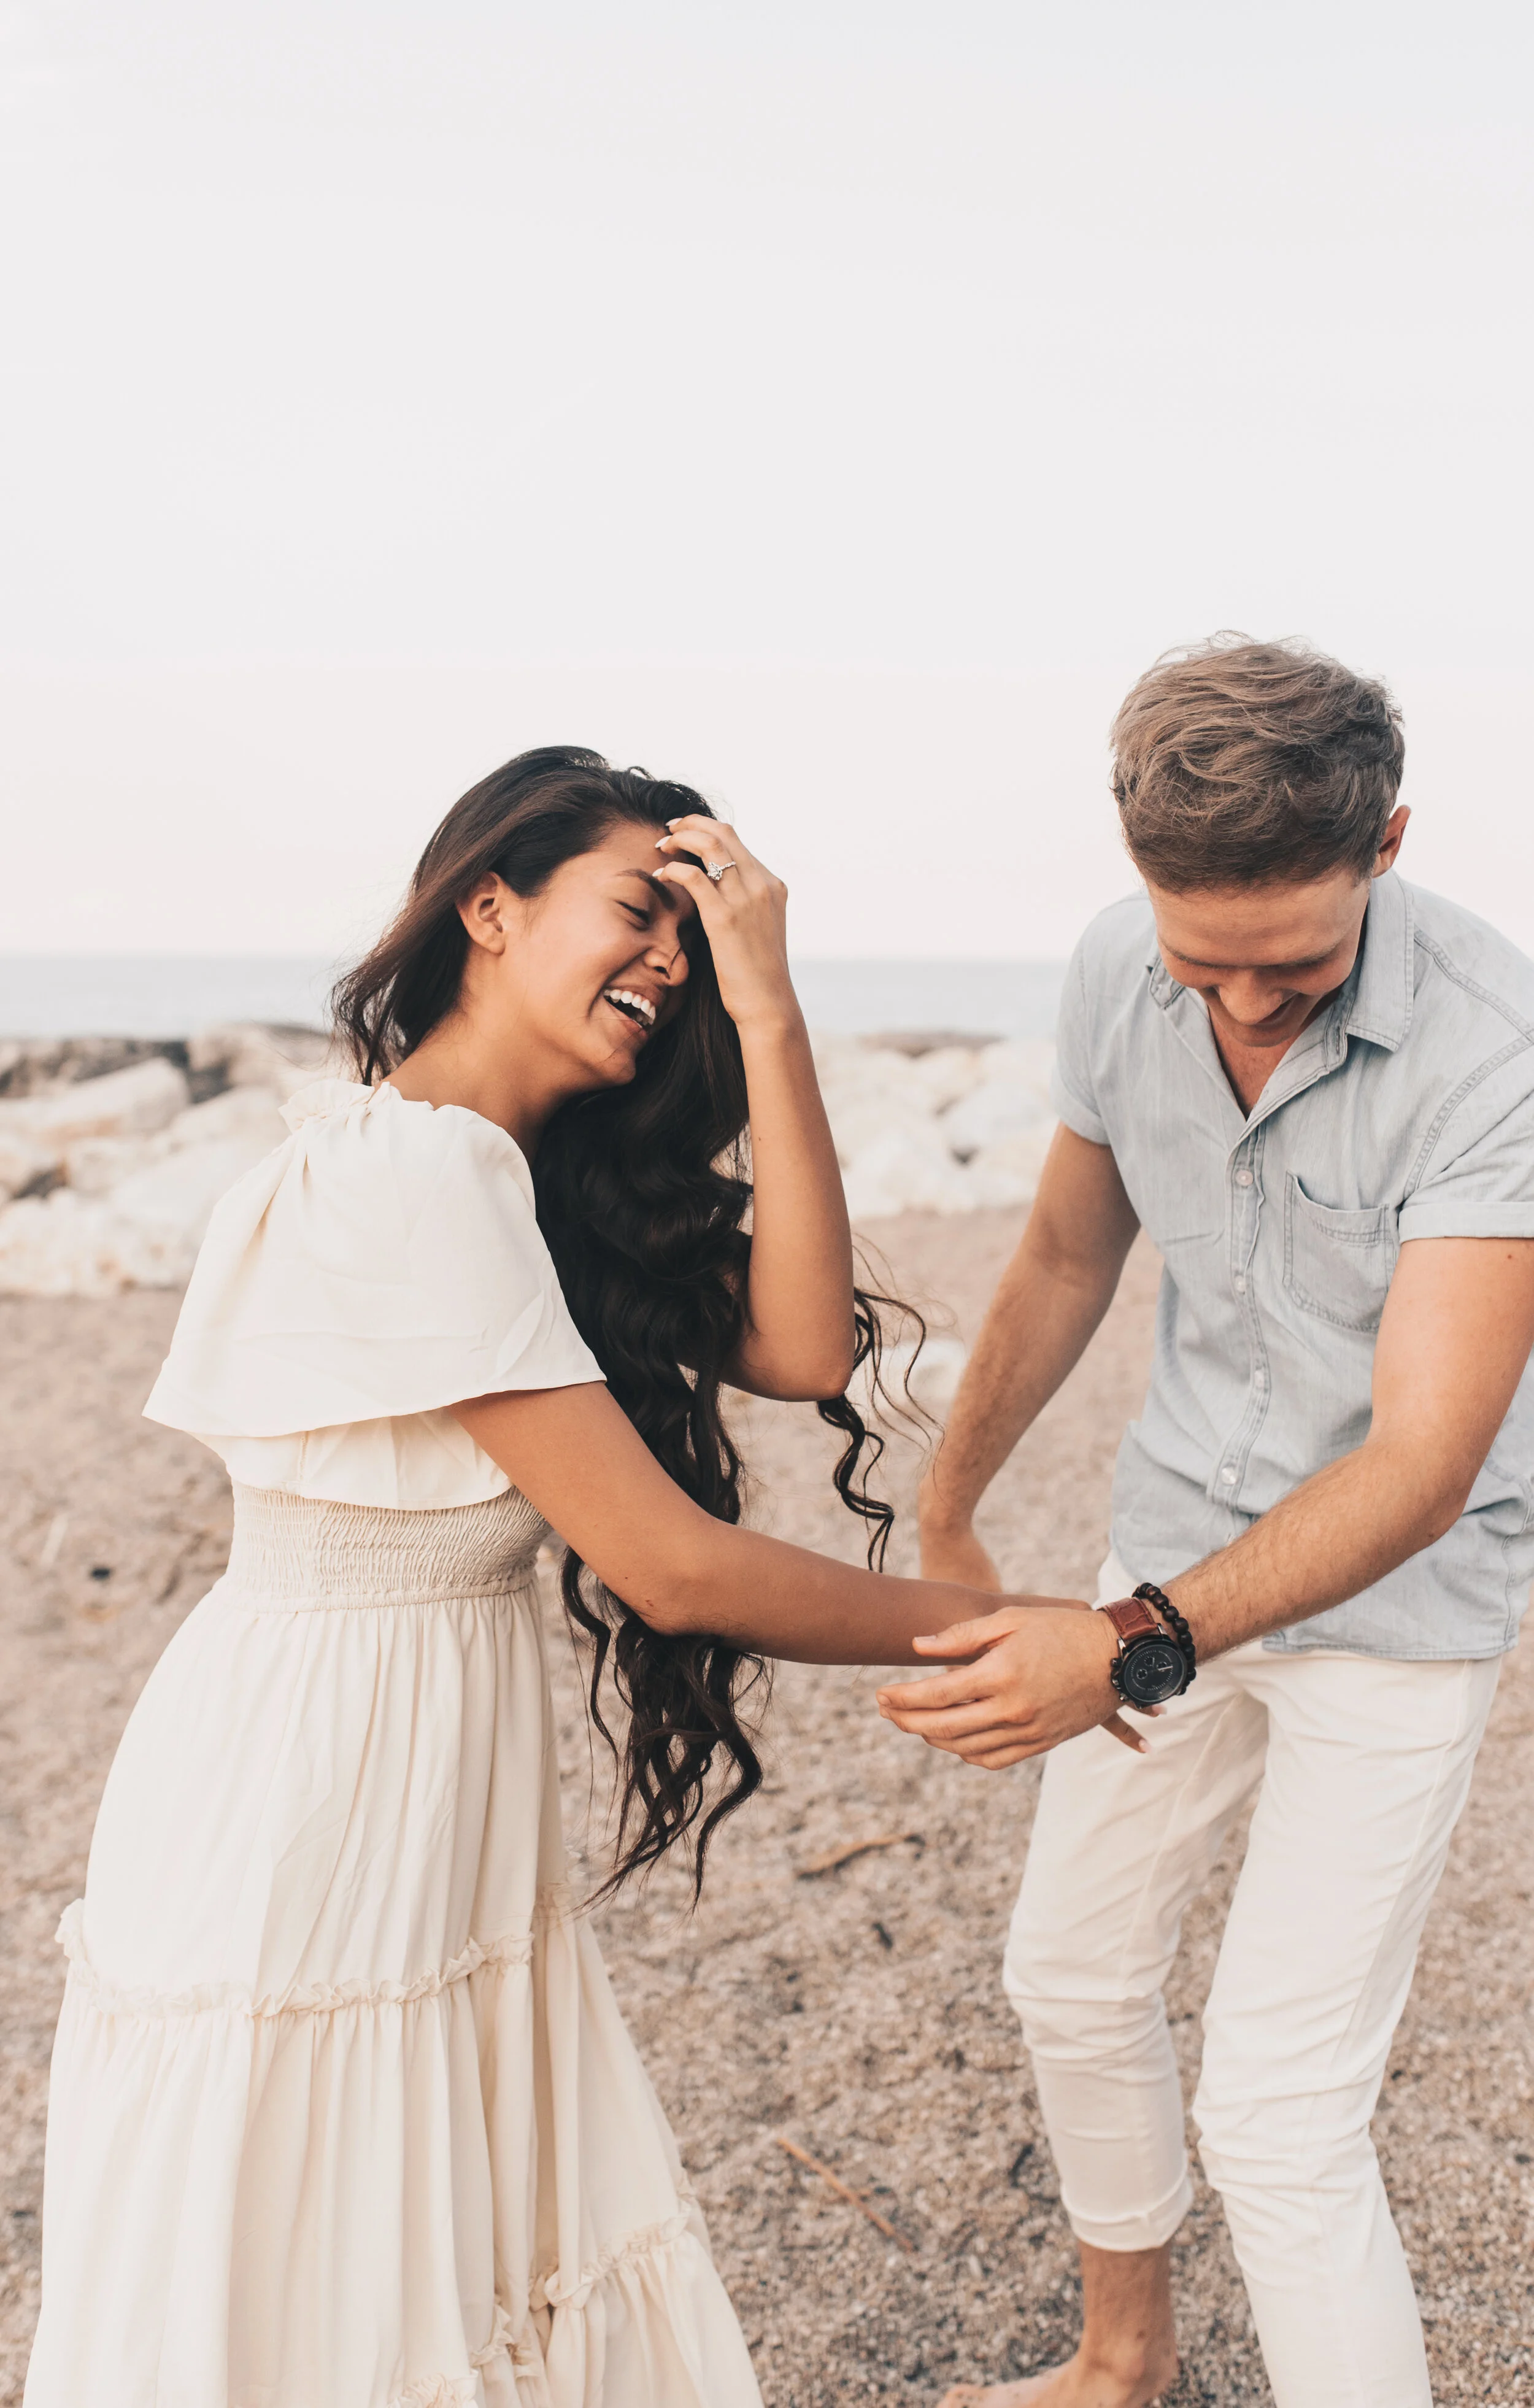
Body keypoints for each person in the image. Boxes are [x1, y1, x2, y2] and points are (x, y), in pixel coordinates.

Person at [24, 747, 1034, 2408]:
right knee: (322, 2279)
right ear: (487, 905)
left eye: (689, 947)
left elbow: (790, 1337)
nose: (665, 963)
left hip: (399, 1764)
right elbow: (671, 1566)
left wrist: (768, 1009)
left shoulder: (507, 1180)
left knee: (404, 2260)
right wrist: (1022, 1631)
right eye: (639, 912)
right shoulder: (410, 1173)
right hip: (313, 1790)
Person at [885, 640, 1534, 2408]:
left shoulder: (1498, 1048)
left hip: (1399, 1613)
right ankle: (1118, 2362)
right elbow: (1065, 1253)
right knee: (1068, 1977)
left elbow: (1416, 1462)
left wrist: (1118, 1637)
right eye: (1202, 965)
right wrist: (950, 1507)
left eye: (1295, 963)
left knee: (1274, 2107)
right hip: (1168, 1533)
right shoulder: (1114, 965)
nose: (1244, 1008)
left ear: (1385, 842)